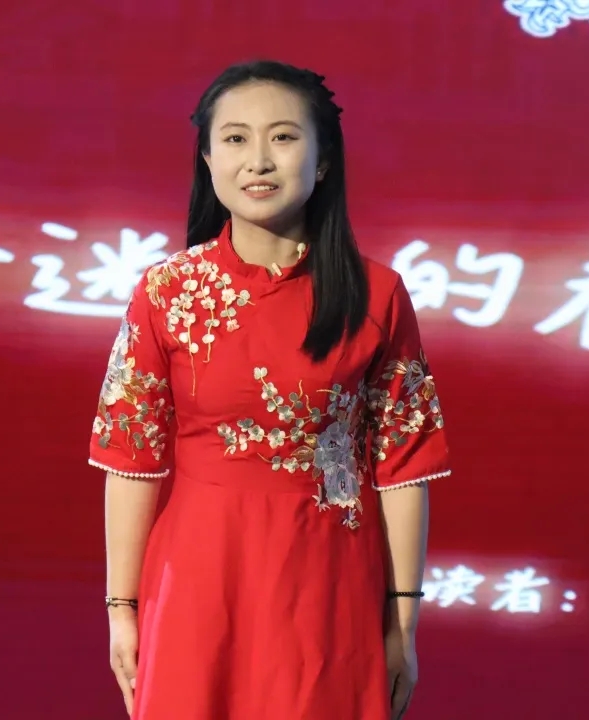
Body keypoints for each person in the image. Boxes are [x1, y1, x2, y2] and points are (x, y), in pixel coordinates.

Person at [88, 59, 451, 720]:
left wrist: (403, 622)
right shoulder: (166, 292)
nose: (258, 159)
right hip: (198, 575)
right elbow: (131, 460)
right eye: (235, 139)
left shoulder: (377, 294)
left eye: (283, 137)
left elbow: (403, 468)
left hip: (328, 578)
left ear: (323, 160)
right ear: (207, 159)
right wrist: (122, 611)